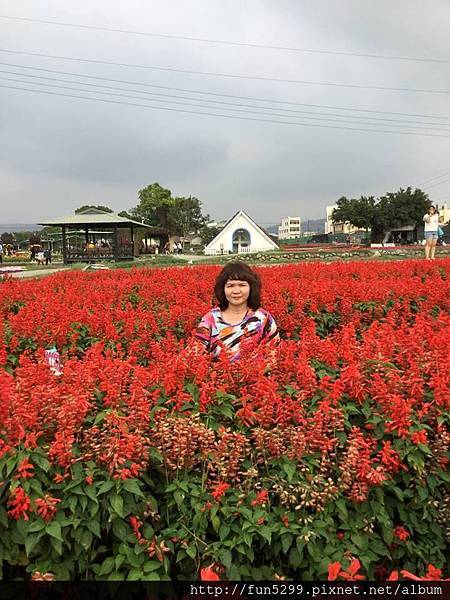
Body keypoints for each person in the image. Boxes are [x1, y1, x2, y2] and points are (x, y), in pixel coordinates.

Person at [192, 261, 279, 362]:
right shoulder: (210, 319)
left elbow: (273, 356)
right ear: (223, 289)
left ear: (251, 288)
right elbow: (195, 353)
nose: (236, 291)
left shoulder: (263, 318)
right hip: (216, 376)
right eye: (230, 286)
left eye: (242, 285)